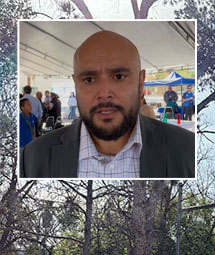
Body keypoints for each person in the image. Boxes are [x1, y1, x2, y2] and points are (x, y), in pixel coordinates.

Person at [20, 30, 194, 179]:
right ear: (76, 84)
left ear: (141, 82)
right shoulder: (32, 158)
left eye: (119, 77)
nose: (104, 93)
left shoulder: (188, 150)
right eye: (89, 79)